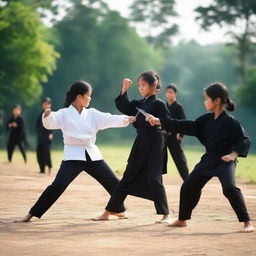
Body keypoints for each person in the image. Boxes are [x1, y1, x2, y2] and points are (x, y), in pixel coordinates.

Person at [14, 80, 135, 222]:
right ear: (79, 97)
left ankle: (117, 209)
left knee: (114, 183)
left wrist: (127, 119)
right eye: (88, 95)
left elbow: (109, 118)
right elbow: (50, 123)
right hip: (72, 156)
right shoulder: (64, 113)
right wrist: (47, 115)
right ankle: (31, 214)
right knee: (58, 185)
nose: (90, 98)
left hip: (92, 155)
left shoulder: (92, 114)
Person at [146, 82, 254, 232]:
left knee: (229, 188)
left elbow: (244, 139)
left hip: (225, 161)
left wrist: (233, 155)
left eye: (206, 99)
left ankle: (247, 222)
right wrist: (160, 121)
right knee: (188, 186)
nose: (204, 102)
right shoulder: (206, 120)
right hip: (209, 159)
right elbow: (185, 125)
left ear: (216, 101)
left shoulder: (230, 121)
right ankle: (182, 219)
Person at [94, 71, 171, 223]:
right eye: (139, 86)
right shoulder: (139, 104)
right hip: (140, 143)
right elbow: (126, 107)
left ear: (153, 85)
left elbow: (168, 123)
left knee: (155, 180)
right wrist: (124, 89)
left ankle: (166, 215)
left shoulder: (159, 104)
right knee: (127, 178)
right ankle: (108, 212)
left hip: (155, 144)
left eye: (143, 85)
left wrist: (156, 121)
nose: (140, 88)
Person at [164, 84, 189, 180]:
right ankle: (156, 180)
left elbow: (183, 121)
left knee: (179, 160)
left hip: (174, 137)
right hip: (163, 137)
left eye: (171, 92)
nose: (168, 94)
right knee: (158, 159)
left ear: (175, 94)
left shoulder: (178, 107)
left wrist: (180, 134)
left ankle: (187, 180)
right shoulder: (164, 105)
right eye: (167, 92)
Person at [36, 97, 53, 175]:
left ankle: (50, 167)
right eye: (44, 104)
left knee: (46, 153)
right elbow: (37, 125)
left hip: (47, 137)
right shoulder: (41, 114)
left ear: (50, 104)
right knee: (39, 153)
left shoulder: (51, 114)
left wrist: (51, 133)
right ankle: (42, 169)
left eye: (47, 103)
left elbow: (54, 124)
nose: (46, 105)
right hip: (41, 137)